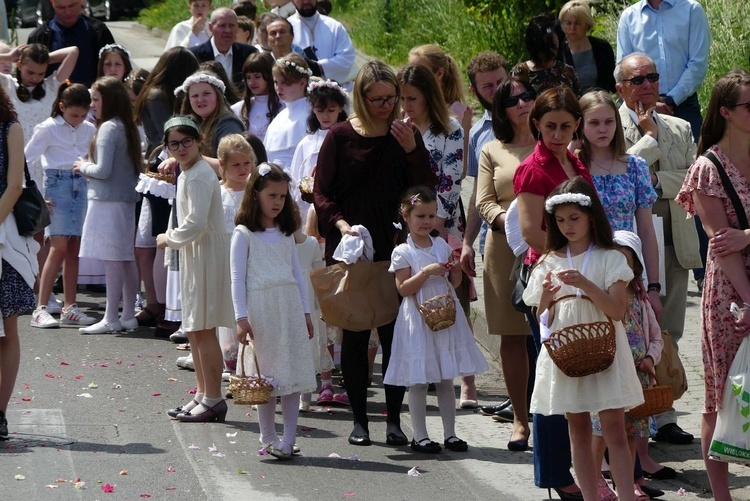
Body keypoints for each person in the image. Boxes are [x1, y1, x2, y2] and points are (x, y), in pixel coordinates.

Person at [313, 60, 435, 447]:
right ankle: (360, 420)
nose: (385, 105)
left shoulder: (405, 134)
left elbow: (423, 188)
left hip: (392, 246)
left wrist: (413, 149)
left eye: (391, 98)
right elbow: (320, 191)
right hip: (352, 247)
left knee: (393, 335)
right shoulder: (339, 136)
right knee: (354, 334)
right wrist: (339, 223)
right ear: (362, 99)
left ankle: (395, 421)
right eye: (376, 99)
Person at [523, 177, 643, 501]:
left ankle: (626, 496)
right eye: (560, 221)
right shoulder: (547, 262)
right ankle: (591, 497)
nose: (567, 226)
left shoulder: (610, 258)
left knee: (614, 429)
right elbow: (542, 319)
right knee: (577, 430)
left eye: (574, 218)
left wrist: (586, 284)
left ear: (591, 217)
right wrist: (547, 298)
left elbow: (617, 310)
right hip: (567, 353)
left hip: (605, 349)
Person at [615, 52, 700, 445]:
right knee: (632, 330)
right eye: (637, 79)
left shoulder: (681, 126)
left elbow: (692, 181)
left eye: (652, 77)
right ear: (621, 88)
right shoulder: (607, 123)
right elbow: (616, 172)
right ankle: (633, 412)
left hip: (674, 240)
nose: (647, 84)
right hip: (630, 245)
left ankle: (663, 412)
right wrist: (648, 142)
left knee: (668, 331)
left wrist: (651, 178)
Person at [513, 86, 592, 500]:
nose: (557, 134)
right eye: (549, 126)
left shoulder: (577, 161)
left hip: (581, 275)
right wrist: (565, 265)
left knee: (577, 374)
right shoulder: (532, 168)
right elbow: (530, 231)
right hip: (548, 280)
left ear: (576, 125)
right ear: (537, 126)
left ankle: (582, 468)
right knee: (553, 376)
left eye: (565, 125)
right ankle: (555, 474)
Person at [675, 69, 750, 501]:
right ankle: (722, 496)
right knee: (722, 394)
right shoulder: (708, 168)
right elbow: (723, 246)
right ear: (726, 112)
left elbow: (739, 237)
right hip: (731, 292)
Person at [384, 186, 488, 453]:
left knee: (445, 377)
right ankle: (420, 435)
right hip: (418, 317)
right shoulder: (402, 251)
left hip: (443, 314)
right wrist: (427, 272)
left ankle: (450, 434)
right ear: (406, 216)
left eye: (431, 216)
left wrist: (453, 270)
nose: (427, 222)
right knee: (419, 380)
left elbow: (453, 283)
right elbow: (404, 289)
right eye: (420, 216)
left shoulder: (441, 244)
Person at [231, 162, 316, 459]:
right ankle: (268, 436)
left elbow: (296, 272)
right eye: (272, 195)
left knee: (291, 375)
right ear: (255, 195)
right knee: (266, 378)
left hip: (289, 307)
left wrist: (306, 312)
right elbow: (236, 278)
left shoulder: (285, 232)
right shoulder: (243, 234)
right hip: (261, 310)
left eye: (282, 196)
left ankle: (289, 439)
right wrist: (241, 318)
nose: (278, 202)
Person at [158, 116, 234, 422]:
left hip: (206, 253)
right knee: (195, 329)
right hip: (196, 251)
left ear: (198, 141)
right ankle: (203, 394)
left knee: (203, 329)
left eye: (186, 142)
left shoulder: (200, 173)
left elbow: (196, 221)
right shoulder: (187, 171)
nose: (181, 148)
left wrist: (168, 238)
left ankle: (214, 397)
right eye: (174, 144)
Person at [475, 77, 536, 449]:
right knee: (513, 337)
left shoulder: (553, 142)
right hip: (504, 249)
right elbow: (483, 202)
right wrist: (513, 225)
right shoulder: (491, 149)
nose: (523, 104)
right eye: (513, 100)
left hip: (549, 244)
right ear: (500, 109)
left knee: (550, 335)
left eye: (527, 96)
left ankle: (556, 416)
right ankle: (519, 419)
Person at [593, 230, 665, 501]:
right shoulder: (603, 297)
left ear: (635, 266)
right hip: (611, 372)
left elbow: (657, 337)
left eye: (625, 260)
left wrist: (650, 359)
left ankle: (631, 481)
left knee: (633, 431)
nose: (619, 267)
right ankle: (596, 477)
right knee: (600, 430)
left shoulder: (642, 301)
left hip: (639, 377)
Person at [133, 48, 200, 333]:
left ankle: (157, 305)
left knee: (159, 240)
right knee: (164, 239)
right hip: (163, 173)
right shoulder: (159, 96)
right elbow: (168, 133)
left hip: (157, 172)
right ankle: (163, 307)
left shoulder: (152, 91)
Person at [578, 90, 661, 319]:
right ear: (580, 124)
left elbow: (645, 228)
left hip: (624, 268)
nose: (603, 129)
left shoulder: (635, 166)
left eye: (609, 122)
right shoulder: (574, 166)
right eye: (594, 123)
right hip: (585, 268)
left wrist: (653, 285)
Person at [72, 77, 142, 334]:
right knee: (124, 259)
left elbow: (102, 170)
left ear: (108, 100)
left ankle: (111, 317)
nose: (92, 105)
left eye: (96, 99)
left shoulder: (109, 128)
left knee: (113, 259)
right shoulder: (125, 125)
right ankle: (126, 315)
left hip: (107, 201)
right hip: (123, 201)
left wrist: (82, 166)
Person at [459, 51, 508, 415]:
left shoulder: (531, 118)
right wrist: (467, 242)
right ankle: (515, 395)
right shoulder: (478, 132)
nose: (495, 90)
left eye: (500, 81)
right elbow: (477, 194)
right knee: (504, 322)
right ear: (475, 90)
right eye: (487, 85)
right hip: (493, 235)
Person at [26, 82, 96, 329]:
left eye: (82, 115)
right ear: (62, 107)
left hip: (82, 184)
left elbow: (91, 157)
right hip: (57, 186)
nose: (78, 120)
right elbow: (27, 159)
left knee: (75, 247)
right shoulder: (47, 128)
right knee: (57, 246)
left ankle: (70, 306)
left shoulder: (89, 128)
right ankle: (41, 307)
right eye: (73, 114)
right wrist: (35, 195)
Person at [0, 85, 39, 440]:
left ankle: (0, 414)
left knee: (7, 331)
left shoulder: (10, 128)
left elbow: (15, 186)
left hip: (3, 236)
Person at [616, 0, 709, 143]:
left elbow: (698, 63)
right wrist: (651, 103)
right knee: (642, 161)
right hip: (640, 108)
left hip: (683, 106)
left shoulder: (691, 9)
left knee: (691, 162)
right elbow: (623, 69)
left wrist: (671, 100)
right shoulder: (629, 16)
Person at [216, 134, 254, 378]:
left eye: (246, 163)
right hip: (224, 261)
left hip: (252, 261)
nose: (242, 169)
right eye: (236, 165)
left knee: (250, 311)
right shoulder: (217, 194)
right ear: (223, 166)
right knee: (228, 315)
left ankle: (251, 365)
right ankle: (232, 364)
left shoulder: (254, 191)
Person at [408, 44, 472, 178]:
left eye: (421, 73)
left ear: (440, 73)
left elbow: (461, 170)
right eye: (410, 70)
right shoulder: (407, 109)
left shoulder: (460, 113)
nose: (413, 77)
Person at [289, 78, 347, 224]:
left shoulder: (348, 140)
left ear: (340, 108)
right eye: (320, 110)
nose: (325, 116)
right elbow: (295, 181)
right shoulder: (305, 144)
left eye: (331, 110)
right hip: (311, 214)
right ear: (313, 108)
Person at [27, 0, 115, 88]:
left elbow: (114, 70)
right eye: (61, 8)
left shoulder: (99, 32)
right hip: (52, 99)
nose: (68, 12)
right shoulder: (39, 37)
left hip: (92, 98)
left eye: (72, 5)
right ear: (52, 3)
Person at [177, 70, 245, 171]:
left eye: (206, 94)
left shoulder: (228, 124)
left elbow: (234, 166)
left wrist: (190, 157)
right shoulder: (195, 123)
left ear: (217, 96)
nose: (200, 100)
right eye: (195, 96)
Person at [511, 13, 582, 98]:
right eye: (545, 47)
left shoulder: (567, 72)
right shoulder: (519, 72)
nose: (550, 51)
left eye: (554, 45)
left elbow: (578, 104)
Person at [287, 0, 355, 86]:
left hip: (335, 93)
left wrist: (320, 67)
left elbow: (347, 57)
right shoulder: (285, 28)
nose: (306, 1)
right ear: (293, 1)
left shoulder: (334, 26)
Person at [189, 7, 258, 90]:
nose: (228, 30)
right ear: (211, 27)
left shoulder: (249, 54)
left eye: (232, 25)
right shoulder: (194, 55)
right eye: (222, 25)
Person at [263, 54, 312, 170]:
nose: (279, 87)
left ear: (302, 83)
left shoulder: (309, 115)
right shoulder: (281, 115)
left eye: (285, 83)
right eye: (276, 82)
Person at [557, 0, 616, 93]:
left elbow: (612, 83)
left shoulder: (602, 48)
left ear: (587, 25)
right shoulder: (558, 51)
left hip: (599, 103)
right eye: (568, 23)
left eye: (577, 23)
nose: (572, 28)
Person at [232, 51, 283, 142]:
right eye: (248, 77)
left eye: (257, 76)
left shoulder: (284, 105)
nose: (251, 82)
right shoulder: (238, 109)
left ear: (270, 76)